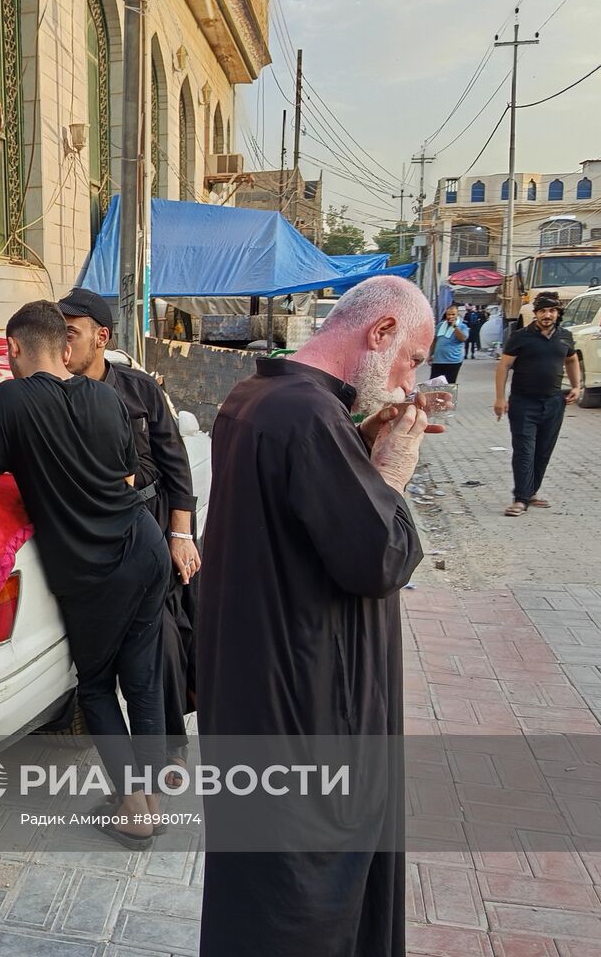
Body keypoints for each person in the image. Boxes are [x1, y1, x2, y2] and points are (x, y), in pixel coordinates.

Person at [196, 275, 435, 957]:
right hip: (308, 709)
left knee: (259, 886)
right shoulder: (307, 417)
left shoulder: (259, 396)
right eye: (411, 358)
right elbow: (377, 558)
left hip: (260, 690)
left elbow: (303, 516)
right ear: (379, 331)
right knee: (303, 898)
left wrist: (355, 443)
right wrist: (389, 476)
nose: (407, 380)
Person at [0, 300, 171, 849]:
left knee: (95, 686)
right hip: (145, 544)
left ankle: (135, 812)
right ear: (65, 346)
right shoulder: (104, 395)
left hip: (94, 568)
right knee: (141, 678)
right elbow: (125, 474)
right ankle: (151, 797)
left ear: (14, 347)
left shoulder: (11, 400)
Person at [58, 288, 200, 764]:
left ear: (101, 337)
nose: (62, 344)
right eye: (57, 333)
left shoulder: (139, 389)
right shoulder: (49, 392)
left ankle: (172, 748)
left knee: (163, 636)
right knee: (114, 657)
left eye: (71, 333)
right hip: (88, 536)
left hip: (149, 524)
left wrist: (181, 535)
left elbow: (175, 463)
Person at [495, 291, 582, 517]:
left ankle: (531, 492)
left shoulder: (565, 336)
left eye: (552, 311)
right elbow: (504, 366)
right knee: (525, 450)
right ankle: (520, 499)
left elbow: (571, 359)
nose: (547, 315)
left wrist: (576, 386)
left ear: (558, 313)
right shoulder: (520, 337)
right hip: (523, 403)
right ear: (535, 313)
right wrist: (500, 398)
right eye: (543, 311)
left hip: (554, 403)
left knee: (543, 451)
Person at [429, 303, 468, 383]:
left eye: (453, 314)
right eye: (448, 314)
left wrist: (454, 327)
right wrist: (430, 354)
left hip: (453, 361)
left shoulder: (462, 326)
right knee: (434, 384)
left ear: (457, 315)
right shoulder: (440, 325)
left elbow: (463, 338)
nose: (450, 316)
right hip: (438, 360)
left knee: (449, 385)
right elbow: (435, 340)